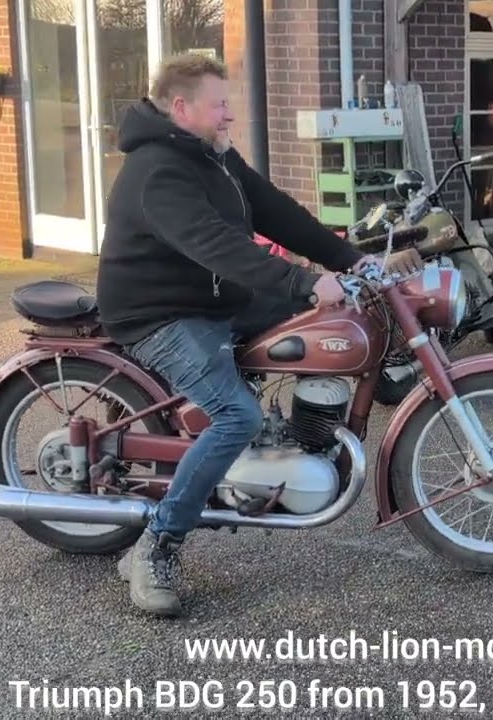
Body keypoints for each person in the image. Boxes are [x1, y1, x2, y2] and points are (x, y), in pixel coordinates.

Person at [95, 53, 419, 617]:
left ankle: (295, 439)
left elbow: (274, 210)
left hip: (213, 296)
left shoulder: (211, 156)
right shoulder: (157, 172)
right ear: (181, 108)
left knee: (325, 328)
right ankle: (155, 547)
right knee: (236, 416)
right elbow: (214, 245)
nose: (229, 116)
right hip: (161, 312)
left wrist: (349, 260)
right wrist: (301, 280)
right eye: (220, 105)